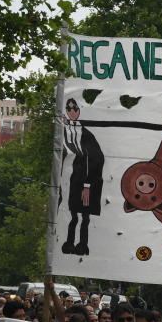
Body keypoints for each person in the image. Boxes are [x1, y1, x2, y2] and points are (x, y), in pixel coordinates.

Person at [60, 97, 104, 255]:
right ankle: (70, 243)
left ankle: (82, 244)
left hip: (88, 181)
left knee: (85, 215)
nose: (72, 111)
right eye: (69, 108)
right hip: (75, 179)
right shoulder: (69, 130)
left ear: (79, 110)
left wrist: (88, 185)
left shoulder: (86, 135)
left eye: (75, 108)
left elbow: (98, 158)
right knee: (73, 214)